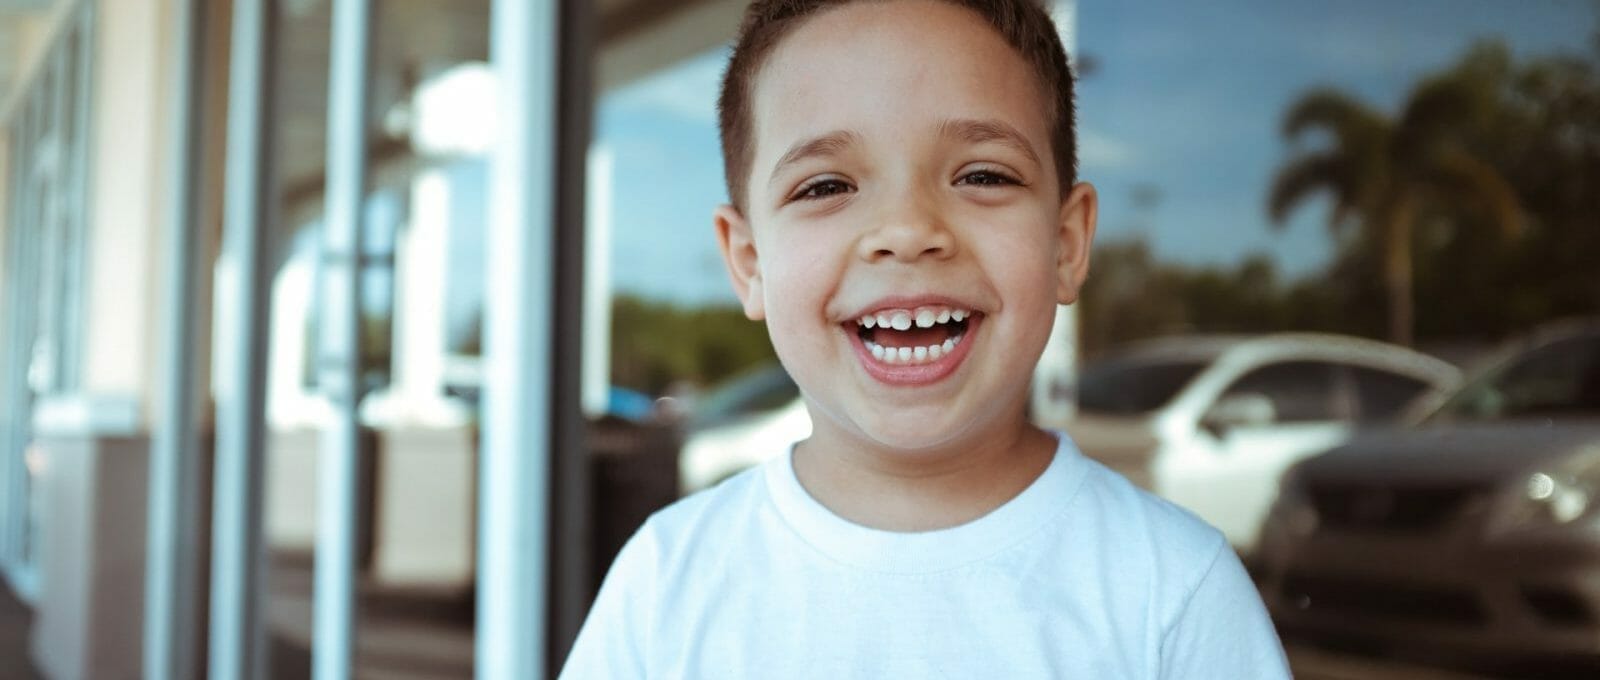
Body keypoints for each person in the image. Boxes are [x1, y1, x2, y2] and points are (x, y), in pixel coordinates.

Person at [561, 0, 1290, 676]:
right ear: (749, 262)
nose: (908, 231)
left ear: (1066, 244)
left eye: (982, 175)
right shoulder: (667, 580)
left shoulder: (1172, 589)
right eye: (825, 186)